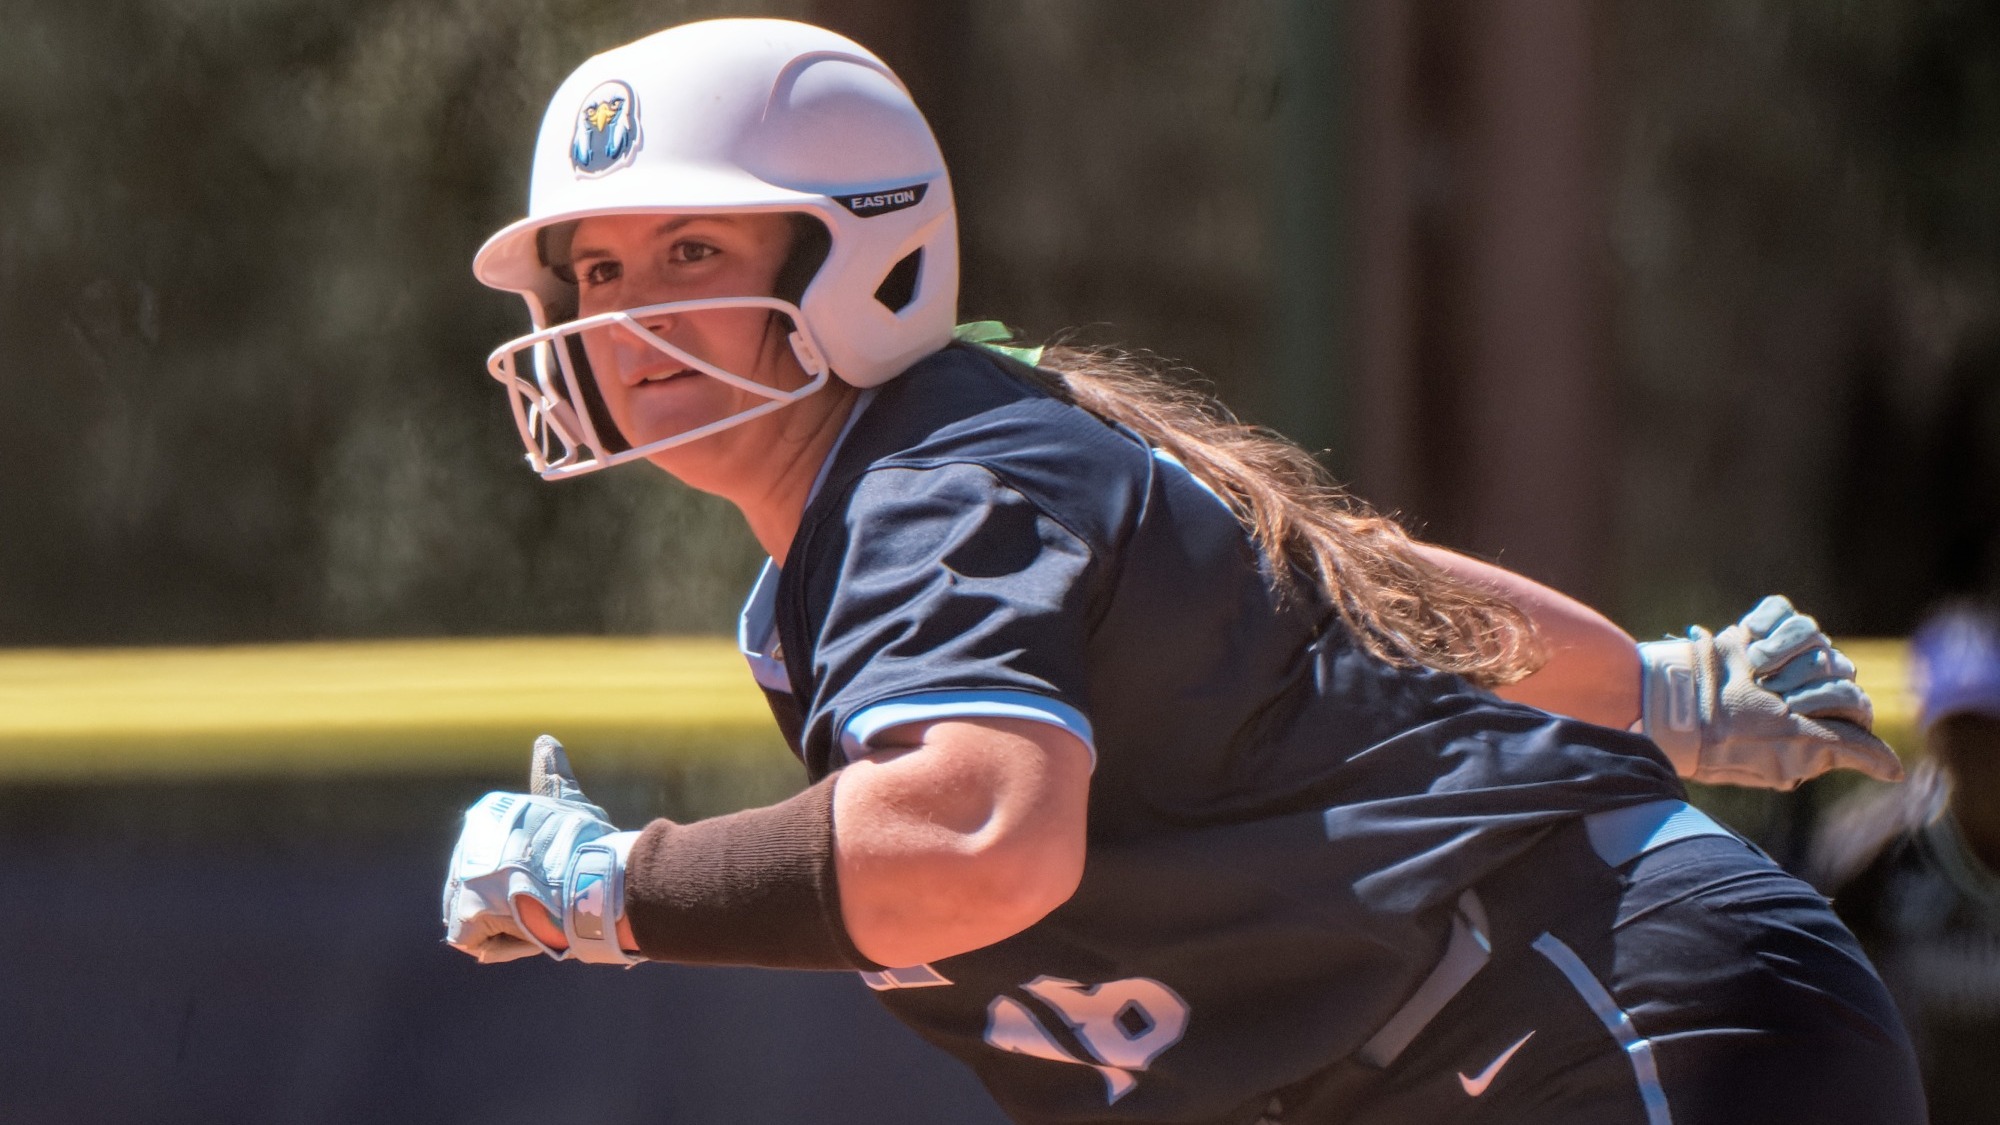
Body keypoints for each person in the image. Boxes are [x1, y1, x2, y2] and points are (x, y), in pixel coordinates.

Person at [441, 18, 1923, 1124]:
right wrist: (1649, 687)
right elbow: (1359, 580)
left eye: (693, 247)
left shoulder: (931, 484)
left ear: (855, 259)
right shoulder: (919, 489)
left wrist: (612, 887)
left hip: (1594, 1014)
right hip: (1492, 1037)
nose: (626, 318)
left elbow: (976, 842)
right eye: (601, 270)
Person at [1809, 606, 2000, 1125]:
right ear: (1931, 740)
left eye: (1992, 733)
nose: (1979, 758)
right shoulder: (1867, 857)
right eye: (1959, 735)